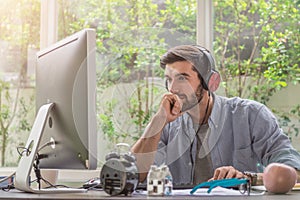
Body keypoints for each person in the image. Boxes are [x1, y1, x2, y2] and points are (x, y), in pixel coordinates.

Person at [131, 45, 300, 191]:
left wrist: (246, 177)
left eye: (182, 78)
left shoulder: (250, 115)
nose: (172, 88)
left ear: (209, 82)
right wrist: (157, 121)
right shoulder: (165, 125)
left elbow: (294, 171)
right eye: (169, 80)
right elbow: (132, 176)